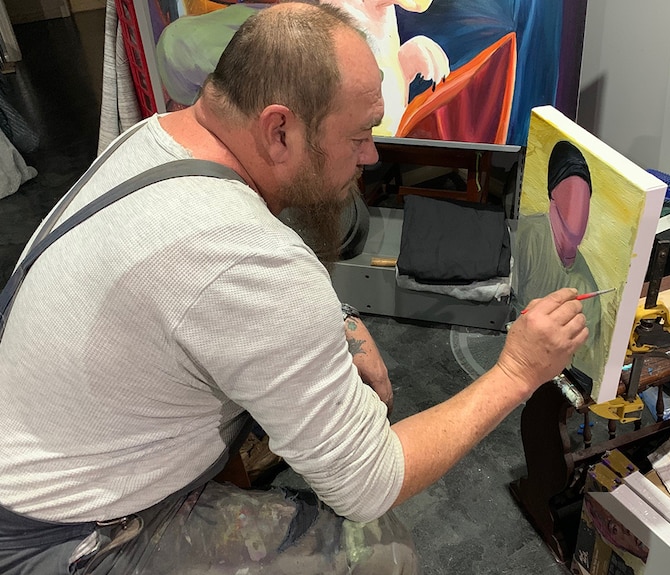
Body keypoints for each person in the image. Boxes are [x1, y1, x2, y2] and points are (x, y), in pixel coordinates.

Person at [0, 3, 588, 574]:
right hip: (64, 542)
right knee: (380, 552)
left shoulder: (160, 135)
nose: (372, 154)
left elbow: (225, 282)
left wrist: (338, 317)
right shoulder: (248, 258)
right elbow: (371, 483)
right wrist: (517, 371)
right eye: (359, 135)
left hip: (40, 453)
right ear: (278, 128)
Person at [513, 140, 602, 385]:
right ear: (554, 197)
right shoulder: (529, 236)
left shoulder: (588, 284)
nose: (578, 208)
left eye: (584, 198)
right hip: (517, 362)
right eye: (570, 193)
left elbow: (588, 356)